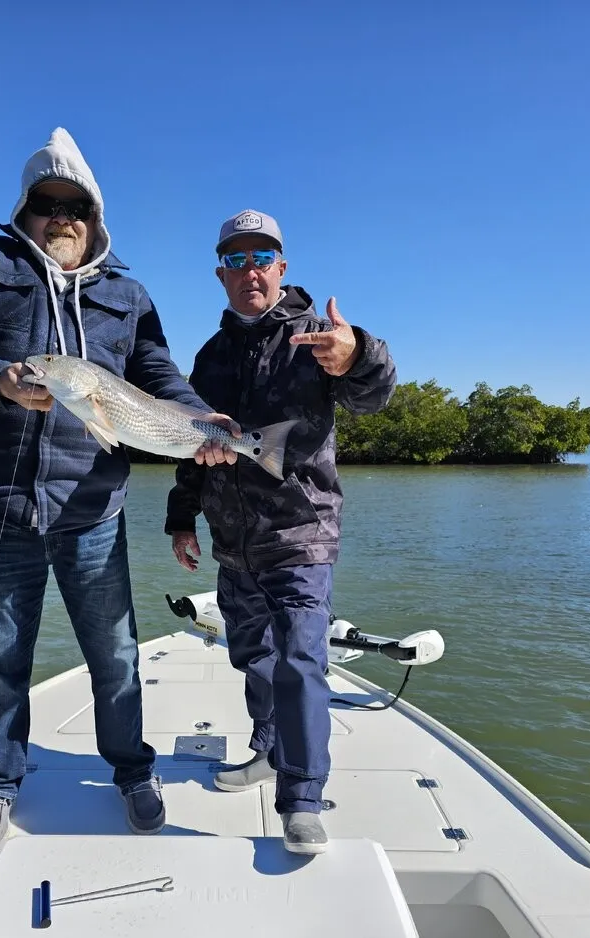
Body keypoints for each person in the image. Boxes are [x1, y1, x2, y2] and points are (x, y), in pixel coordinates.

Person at [0, 128, 239, 852]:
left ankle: (131, 771)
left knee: (116, 654)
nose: (61, 217)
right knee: (1, 658)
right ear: (25, 209)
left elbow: (157, 375)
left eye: (75, 206)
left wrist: (201, 421)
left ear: (95, 217)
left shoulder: (128, 292)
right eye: (46, 204)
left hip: (93, 508)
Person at [165, 209, 396, 854]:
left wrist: (359, 358)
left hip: (302, 529)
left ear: (282, 267)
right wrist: (182, 517)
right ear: (220, 274)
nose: (250, 271)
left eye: (261, 257)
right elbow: (194, 445)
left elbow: (374, 394)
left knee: (299, 658)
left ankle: (302, 797)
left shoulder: (317, 336)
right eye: (235, 260)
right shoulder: (208, 356)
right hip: (231, 536)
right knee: (254, 657)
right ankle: (269, 750)